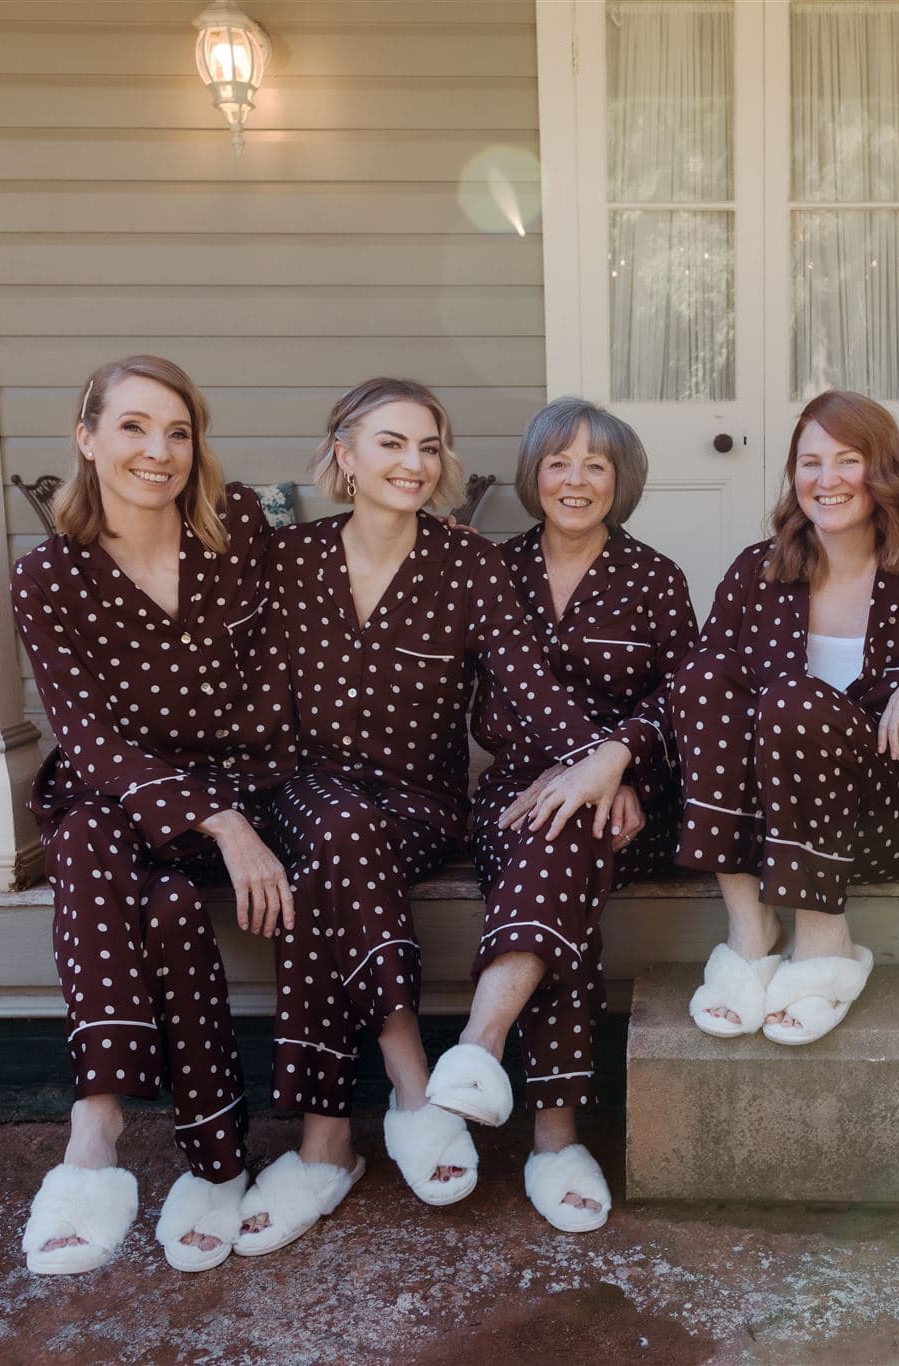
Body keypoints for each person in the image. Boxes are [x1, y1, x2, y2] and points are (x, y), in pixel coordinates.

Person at [234, 378, 635, 1255]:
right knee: (333, 837)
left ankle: (327, 1145)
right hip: (307, 790)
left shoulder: (467, 564)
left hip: (419, 804)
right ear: (343, 454)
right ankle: (412, 1083)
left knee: (346, 853)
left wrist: (603, 759)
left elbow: (531, 688)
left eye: (427, 446)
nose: (412, 464)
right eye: (390, 443)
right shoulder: (288, 557)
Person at [13, 355, 296, 1275]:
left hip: (253, 781)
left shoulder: (239, 525)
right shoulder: (49, 577)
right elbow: (86, 737)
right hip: (130, 800)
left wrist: (235, 804)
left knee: (157, 890)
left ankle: (150, 1155)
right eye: (133, 427)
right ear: (86, 440)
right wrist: (219, 822)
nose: (158, 450)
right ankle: (127, 1142)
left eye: (177, 431)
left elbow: (316, 592)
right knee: (118, 855)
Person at [672, 389, 899, 1046]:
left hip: (889, 815)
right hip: (770, 820)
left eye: (846, 460)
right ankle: (751, 926)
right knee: (703, 672)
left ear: (883, 470)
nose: (825, 480)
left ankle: (823, 938)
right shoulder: (757, 571)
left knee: (795, 699)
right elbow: (705, 702)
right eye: (809, 462)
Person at [426, 397, 697, 1232]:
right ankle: (554, 1139)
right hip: (515, 793)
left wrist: (613, 767)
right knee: (556, 836)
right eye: (559, 462)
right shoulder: (491, 570)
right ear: (533, 473)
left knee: (572, 826)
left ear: (621, 482)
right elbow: (473, 698)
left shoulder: (654, 577)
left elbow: (683, 700)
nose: (575, 480)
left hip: (628, 802)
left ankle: (479, 1047)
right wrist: (571, 774)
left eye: (596, 465)